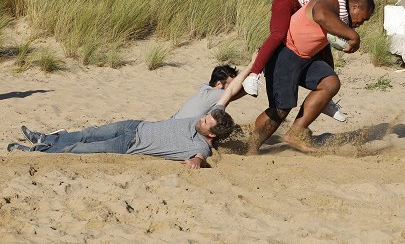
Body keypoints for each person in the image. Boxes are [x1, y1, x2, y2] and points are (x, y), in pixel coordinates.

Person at [242, 0, 377, 122]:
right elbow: (341, 14)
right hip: (288, 0)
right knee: (278, 34)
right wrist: (351, 35)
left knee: (324, 50)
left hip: (299, 8)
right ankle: (253, 74)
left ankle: (325, 101)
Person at [248, 0, 375, 154]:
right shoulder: (331, 1)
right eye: (364, 18)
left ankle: (294, 133)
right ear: (356, 7)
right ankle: (250, 147)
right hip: (284, 53)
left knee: (330, 83)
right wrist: (354, 36)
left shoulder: (340, 17)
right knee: (281, 109)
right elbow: (320, 14)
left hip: (305, 58)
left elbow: (325, 46)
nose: (361, 23)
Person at [7, 108, 235, 169]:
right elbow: (229, 92)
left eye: (206, 121)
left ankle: (35, 152)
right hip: (134, 125)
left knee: (78, 148)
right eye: (205, 116)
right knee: (88, 133)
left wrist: (196, 162)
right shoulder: (206, 119)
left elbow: (200, 156)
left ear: (212, 134)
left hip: (127, 145)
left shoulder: (199, 144)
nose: (201, 118)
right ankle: (44, 138)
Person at [171, 52, 257, 119]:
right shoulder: (214, 94)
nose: (233, 86)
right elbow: (233, 92)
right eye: (230, 84)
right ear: (219, 84)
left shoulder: (205, 89)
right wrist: (252, 65)